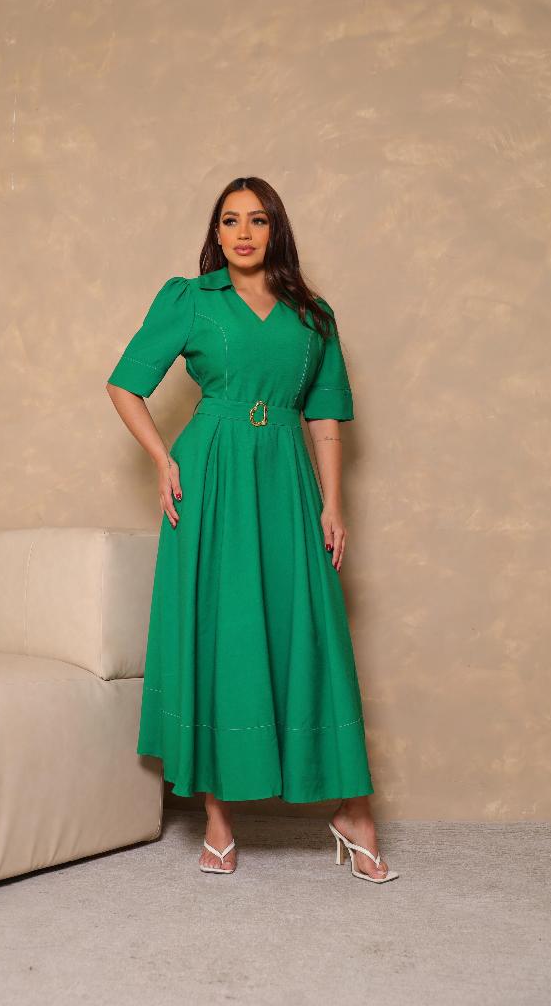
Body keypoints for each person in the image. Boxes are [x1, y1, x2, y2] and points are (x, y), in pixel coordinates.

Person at [104, 177, 398, 883]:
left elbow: (324, 416)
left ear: (276, 230)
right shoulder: (191, 299)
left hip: (287, 478)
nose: (243, 233)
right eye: (230, 220)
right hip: (210, 475)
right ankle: (218, 818)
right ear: (217, 231)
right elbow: (124, 383)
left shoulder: (313, 315)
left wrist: (333, 503)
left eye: (258, 220)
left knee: (311, 631)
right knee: (222, 632)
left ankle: (353, 813)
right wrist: (163, 459)